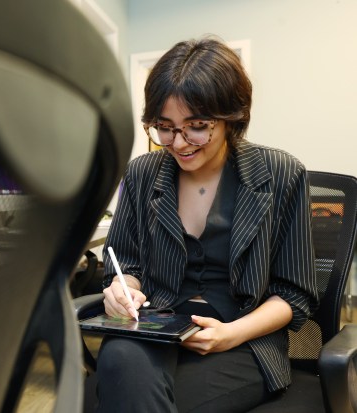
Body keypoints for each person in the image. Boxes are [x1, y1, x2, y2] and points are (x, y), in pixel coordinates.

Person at [97, 37, 318, 412]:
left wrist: (231, 334)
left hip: (244, 337)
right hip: (156, 326)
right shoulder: (143, 173)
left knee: (135, 400)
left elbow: (294, 295)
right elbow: (127, 264)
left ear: (231, 118)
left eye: (197, 127)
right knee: (120, 361)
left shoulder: (281, 173)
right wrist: (122, 289)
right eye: (163, 127)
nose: (179, 143)